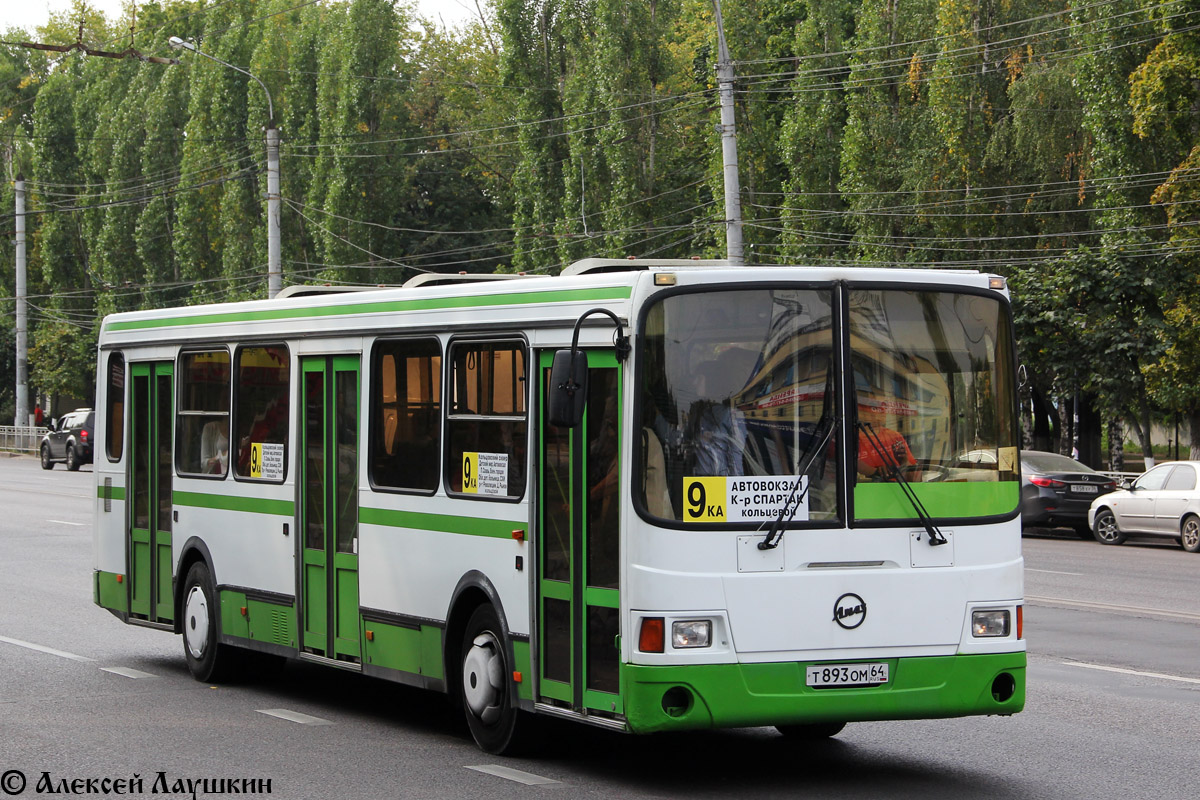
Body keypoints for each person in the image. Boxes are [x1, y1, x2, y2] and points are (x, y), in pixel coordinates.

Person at [687, 363, 748, 477]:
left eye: (699, 378)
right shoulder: (698, 412)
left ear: (711, 380)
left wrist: (734, 490)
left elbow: (735, 460)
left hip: (720, 487)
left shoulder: (731, 415)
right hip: (698, 485)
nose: (694, 383)